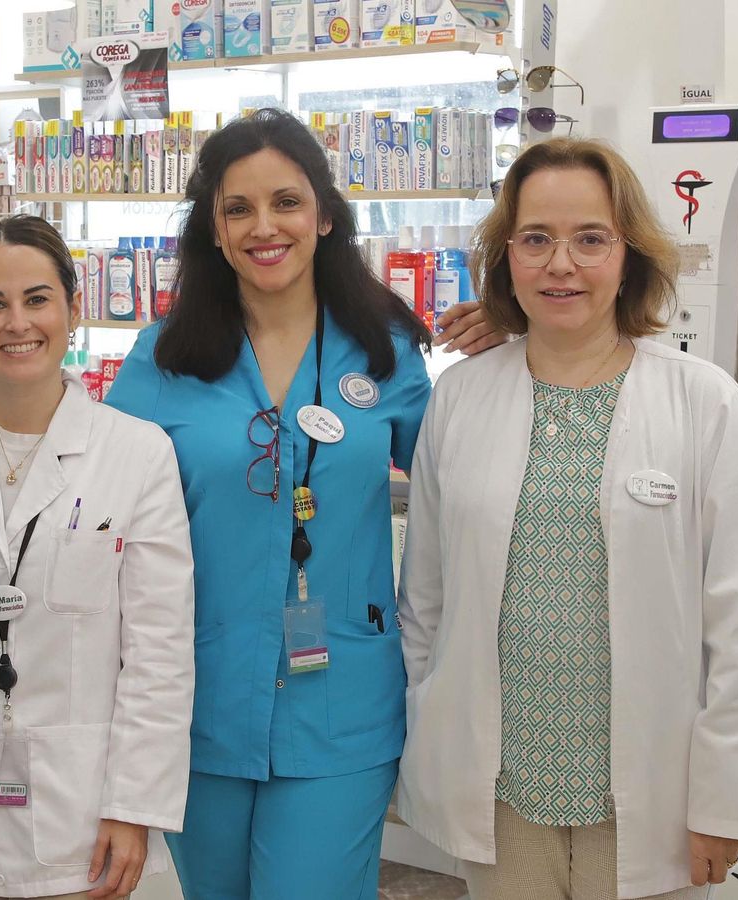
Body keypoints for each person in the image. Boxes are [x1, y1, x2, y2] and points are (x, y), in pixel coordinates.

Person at [101, 107, 501, 899]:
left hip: (343, 701)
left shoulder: (385, 346)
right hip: (198, 702)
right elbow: (91, 485)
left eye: (285, 201)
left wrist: (523, 340)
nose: (264, 227)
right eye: (237, 209)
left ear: (324, 214)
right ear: (212, 231)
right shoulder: (163, 357)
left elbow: (467, 482)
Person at [395, 137, 738, 900]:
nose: (560, 264)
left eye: (590, 239)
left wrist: (728, 800)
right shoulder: (463, 397)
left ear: (629, 253)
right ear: (506, 255)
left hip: (650, 801)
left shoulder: (704, 405)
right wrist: (428, 741)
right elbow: (427, 606)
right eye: (536, 238)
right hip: (500, 792)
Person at [0, 215, 195, 900]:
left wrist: (134, 803)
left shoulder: (138, 452)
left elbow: (160, 649)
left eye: (36, 299)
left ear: (73, 307)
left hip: (80, 817)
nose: (17, 324)